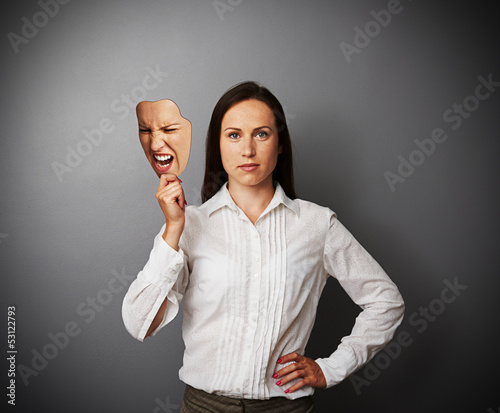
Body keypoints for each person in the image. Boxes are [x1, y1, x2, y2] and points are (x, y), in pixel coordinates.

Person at [122, 81, 405, 412]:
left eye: (261, 134)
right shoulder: (190, 224)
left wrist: (330, 369)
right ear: (218, 143)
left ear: (280, 143)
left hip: (285, 407)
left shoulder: (316, 224)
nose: (247, 150)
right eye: (233, 135)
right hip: (204, 406)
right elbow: (139, 323)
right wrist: (173, 229)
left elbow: (386, 301)